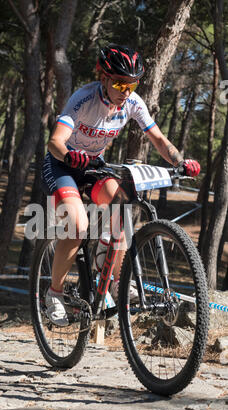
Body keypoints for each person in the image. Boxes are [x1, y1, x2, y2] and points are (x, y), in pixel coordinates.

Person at [41, 44, 200, 326]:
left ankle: (115, 279)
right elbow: (54, 141)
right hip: (63, 165)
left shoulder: (134, 103)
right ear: (103, 77)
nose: (125, 90)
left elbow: (160, 141)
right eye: (118, 83)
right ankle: (54, 294)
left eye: (132, 84)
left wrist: (179, 161)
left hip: (93, 166)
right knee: (77, 225)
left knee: (121, 206)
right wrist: (69, 155)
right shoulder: (84, 98)